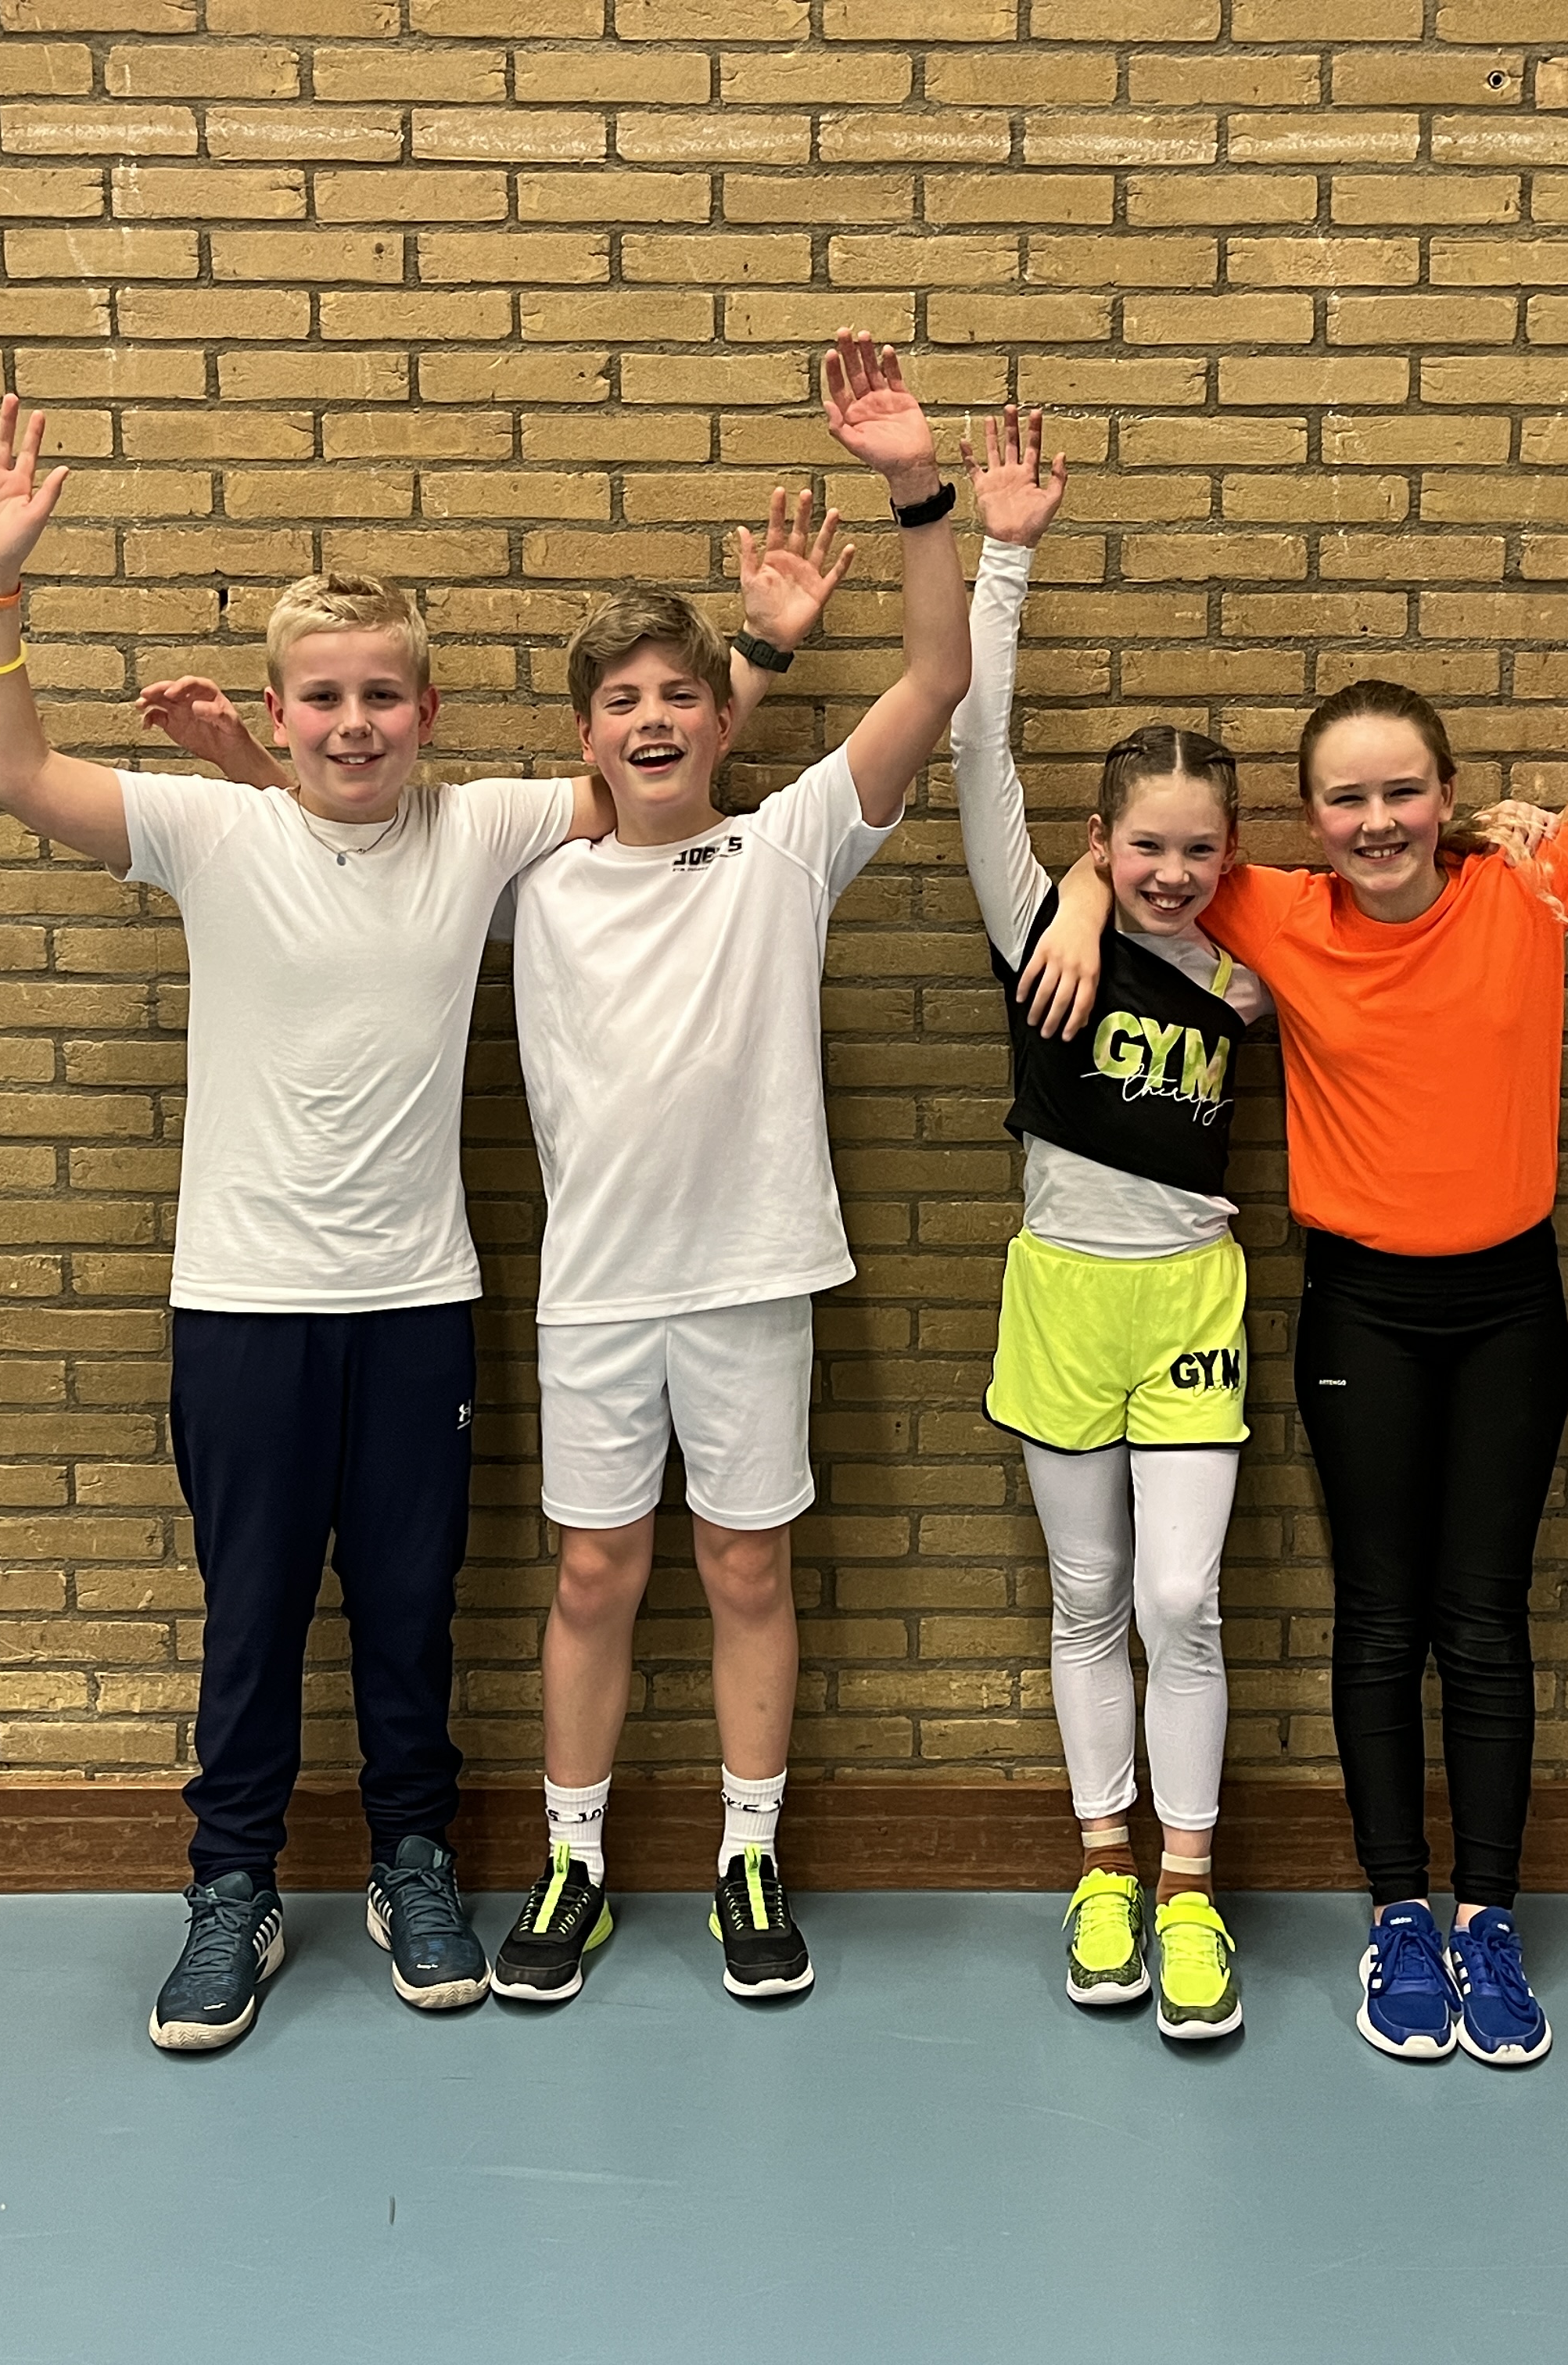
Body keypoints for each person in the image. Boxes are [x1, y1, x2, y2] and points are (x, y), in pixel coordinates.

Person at [0, 397, 844, 2054]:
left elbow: (655, 766)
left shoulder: (486, 825)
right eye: (322, 699)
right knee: (254, 1611)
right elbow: (11, 768)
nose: (352, 725)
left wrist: (765, 658)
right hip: (241, 1300)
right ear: (279, 714)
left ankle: (413, 1862)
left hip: (421, 1298)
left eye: (380, 697)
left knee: (411, 1611)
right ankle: (232, 1888)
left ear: (426, 712)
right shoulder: (210, 829)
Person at [1033, 476, 1568, 2065]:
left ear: (1449, 796)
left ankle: (1485, 1919)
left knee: (1483, 1619)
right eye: (1344, 800)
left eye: (1400, 793)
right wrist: (1087, 902)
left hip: (1511, 1306)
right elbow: (1142, 860)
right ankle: (1396, 1921)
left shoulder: (1532, 881)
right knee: (1380, 1620)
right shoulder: (1279, 911)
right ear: (1308, 823)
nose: (1374, 823)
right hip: (1361, 1309)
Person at [481, 332, 971, 2010]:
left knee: (747, 1567)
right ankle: (573, 1860)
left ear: (719, 719)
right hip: (597, 1290)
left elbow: (935, 680)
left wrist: (918, 489)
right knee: (594, 1573)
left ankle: (748, 1854)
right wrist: (747, 650)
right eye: (621, 702)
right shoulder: (533, 869)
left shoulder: (788, 850)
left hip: (755, 1275)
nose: (653, 720)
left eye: (680, 696)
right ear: (584, 735)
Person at [950, 406, 1270, 2040]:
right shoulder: (1040, 925)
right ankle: (1102, 1871)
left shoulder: (1254, 962)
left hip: (1192, 1297)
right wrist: (1006, 556)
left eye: (1197, 849)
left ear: (1231, 853)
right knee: (1087, 1599)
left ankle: (1191, 1890)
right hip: (1063, 1296)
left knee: (1178, 1604)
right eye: (1141, 847)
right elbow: (974, 749)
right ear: (1100, 842)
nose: (1169, 872)